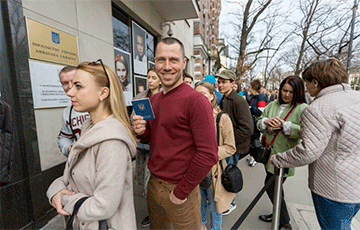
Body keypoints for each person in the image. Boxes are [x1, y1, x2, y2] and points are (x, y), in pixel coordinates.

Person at [132, 37, 218, 229]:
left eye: (174, 60)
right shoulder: (154, 101)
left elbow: (208, 154)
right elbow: (153, 139)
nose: (167, 66)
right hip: (154, 185)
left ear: (184, 62)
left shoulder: (196, 101)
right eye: (161, 60)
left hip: (182, 190)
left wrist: (181, 192)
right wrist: (141, 132)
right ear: (155, 62)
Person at [270, 58, 360, 230]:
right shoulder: (357, 97)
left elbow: (308, 151)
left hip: (334, 187)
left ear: (316, 83)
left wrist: (279, 159)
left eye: (307, 83)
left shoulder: (318, 108)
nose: (306, 88)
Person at [47, 60, 137, 229]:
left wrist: (64, 199)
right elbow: (70, 178)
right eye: (70, 85)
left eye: (78, 86)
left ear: (103, 92)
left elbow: (103, 205)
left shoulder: (111, 142)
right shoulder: (89, 127)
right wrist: (56, 191)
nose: (70, 92)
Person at [257, 75, 307, 230]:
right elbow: (259, 121)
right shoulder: (272, 104)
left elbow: (304, 131)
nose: (286, 94)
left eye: (291, 92)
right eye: (284, 90)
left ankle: (284, 222)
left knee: (270, 186)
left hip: (285, 156)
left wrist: (285, 126)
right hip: (269, 153)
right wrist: (266, 123)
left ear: (297, 92)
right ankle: (277, 213)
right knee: (276, 188)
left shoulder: (302, 108)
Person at [195, 82, 236, 230]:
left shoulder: (222, 118)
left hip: (215, 171)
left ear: (212, 96)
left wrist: (208, 153)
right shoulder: (192, 117)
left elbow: (231, 147)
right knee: (199, 204)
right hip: (195, 170)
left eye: (203, 94)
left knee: (214, 206)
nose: (199, 98)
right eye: (196, 95)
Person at [216, 69, 253, 215]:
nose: (220, 85)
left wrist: (229, 142)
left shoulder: (238, 101)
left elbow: (247, 128)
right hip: (226, 146)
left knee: (231, 174)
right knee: (225, 173)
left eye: (224, 82)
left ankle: (231, 202)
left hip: (234, 147)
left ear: (232, 84)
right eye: (219, 82)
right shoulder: (224, 98)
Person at [132, 67, 162, 227]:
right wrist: (137, 122)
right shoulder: (140, 97)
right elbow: (132, 120)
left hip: (158, 148)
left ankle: (157, 214)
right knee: (143, 181)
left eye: (153, 78)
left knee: (154, 183)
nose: (150, 81)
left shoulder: (165, 97)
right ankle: (152, 213)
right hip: (142, 146)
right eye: (148, 77)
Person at [57, 66, 89, 157]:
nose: (70, 86)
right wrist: (69, 148)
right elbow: (64, 137)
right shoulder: (68, 112)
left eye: (74, 82)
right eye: (65, 83)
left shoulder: (98, 104)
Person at [246, 79, 266, 167]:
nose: (249, 88)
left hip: (256, 122)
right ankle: (251, 156)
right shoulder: (253, 97)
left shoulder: (261, 98)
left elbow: (261, 112)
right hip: (251, 122)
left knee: (255, 140)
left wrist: (251, 109)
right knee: (251, 140)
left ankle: (255, 158)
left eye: (250, 86)